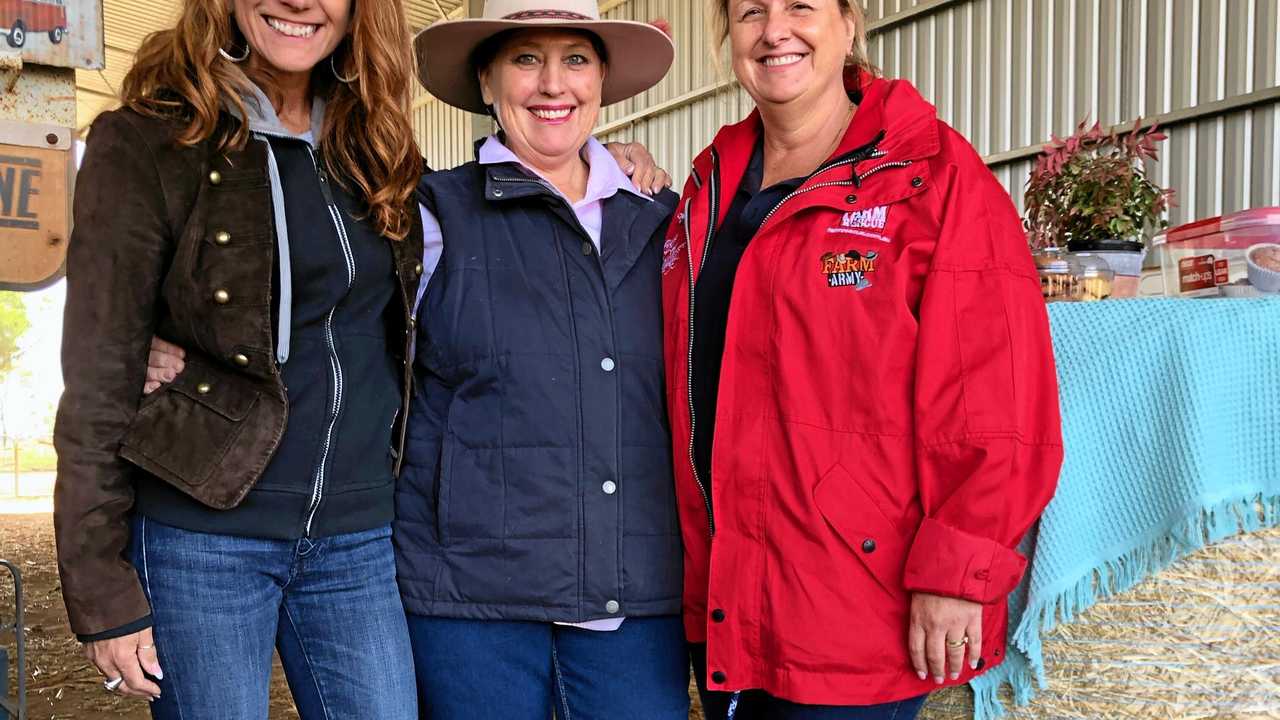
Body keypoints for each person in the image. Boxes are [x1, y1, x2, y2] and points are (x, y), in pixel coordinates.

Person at [661, 1, 1065, 718]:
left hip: (853, 598)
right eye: (751, 10)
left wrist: (959, 574)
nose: (774, 30)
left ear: (849, 24)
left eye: (801, 7)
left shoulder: (934, 177)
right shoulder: (709, 186)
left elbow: (995, 397)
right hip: (726, 592)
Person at [54, 0, 425, 716]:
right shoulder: (147, 143)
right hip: (202, 535)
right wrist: (98, 583)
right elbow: (99, 370)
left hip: (357, 535)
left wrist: (607, 159)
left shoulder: (375, 148)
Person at [396, 1, 688, 718]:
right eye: (525, 59)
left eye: (576, 59)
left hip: (634, 601)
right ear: (488, 81)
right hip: (473, 607)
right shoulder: (427, 215)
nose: (552, 83)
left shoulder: (664, 222)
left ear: (603, 80)